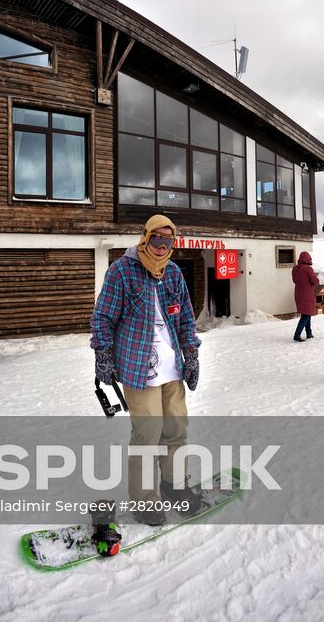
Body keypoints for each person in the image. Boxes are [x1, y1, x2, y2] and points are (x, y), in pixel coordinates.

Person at [90, 214, 202, 543]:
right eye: (157, 240)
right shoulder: (122, 271)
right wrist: (103, 354)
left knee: (177, 430)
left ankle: (173, 484)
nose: (163, 247)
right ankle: (144, 500)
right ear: (145, 238)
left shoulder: (174, 273)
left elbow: (185, 321)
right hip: (138, 370)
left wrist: (191, 355)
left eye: (169, 241)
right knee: (147, 434)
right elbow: (103, 317)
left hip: (171, 370)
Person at [292, 251, 318, 342]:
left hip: (298, 294)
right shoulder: (308, 269)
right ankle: (297, 334)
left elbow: (294, 280)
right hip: (307, 294)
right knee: (306, 315)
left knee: (307, 313)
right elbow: (315, 281)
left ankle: (309, 333)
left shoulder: (295, 268)